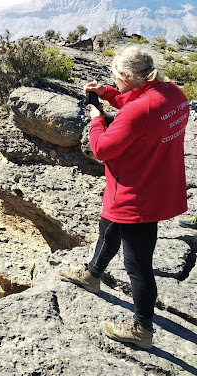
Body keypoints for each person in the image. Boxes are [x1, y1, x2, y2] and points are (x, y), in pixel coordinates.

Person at [59, 46, 189, 350]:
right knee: (109, 228)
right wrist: (105, 92)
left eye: (114, 77)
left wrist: (97, 117)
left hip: (136, 193)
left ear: (128, 76)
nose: (113, 81)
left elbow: (102, 148)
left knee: (137, 265)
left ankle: (142, 328)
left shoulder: (139, 110)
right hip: (158, 180)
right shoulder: (173, 94)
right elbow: (139, 107)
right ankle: (92, 274)